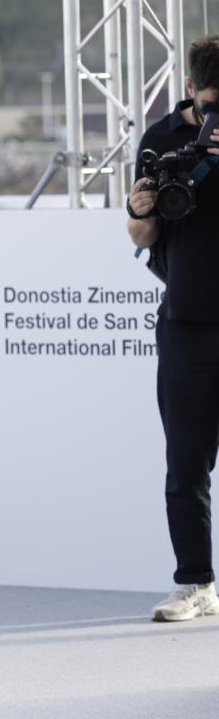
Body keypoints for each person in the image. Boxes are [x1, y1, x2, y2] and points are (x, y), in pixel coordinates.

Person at [128, 35, 219, 623]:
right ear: (190, 89)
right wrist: (140, 211)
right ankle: (196, 583)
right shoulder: (162, 141)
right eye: (212, 101)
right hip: (188, 321)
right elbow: (141, 239)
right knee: (186, 463)